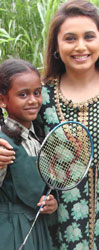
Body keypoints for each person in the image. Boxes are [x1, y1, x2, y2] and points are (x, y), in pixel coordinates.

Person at [0, 0, 99, 249]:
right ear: (57, 45)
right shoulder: (41, 96)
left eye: (89, 36)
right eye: (70, 38)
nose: (80, 46)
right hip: (57, 229)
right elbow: (12, 125)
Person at [0, 59, 58, 250]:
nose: (33, 100)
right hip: (9, 230)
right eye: (23, 94)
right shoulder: (2, 142)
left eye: (37, 93)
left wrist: (51, 203)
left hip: (38, 229)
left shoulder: (39, 139)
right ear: (2, 100)